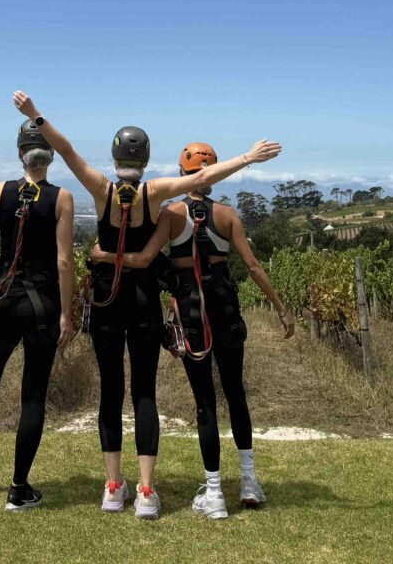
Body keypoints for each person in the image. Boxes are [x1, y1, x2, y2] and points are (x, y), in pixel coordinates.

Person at [12, 90, 282, 520]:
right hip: (143, 302)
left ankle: (113, 487)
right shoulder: (154, 193)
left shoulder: (101, 188)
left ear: (115, 154)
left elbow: (65, 150)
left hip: (106, 300)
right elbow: (199, 182)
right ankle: (146, 491)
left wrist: (36, 116)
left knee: (110, 393)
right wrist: (247, 158)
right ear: (148, 155)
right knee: (143, 393)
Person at [90, 142, 296, 520]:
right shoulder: (228, 215)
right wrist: (281, 308)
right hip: (225, 303)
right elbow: (252, 266)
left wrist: (103, 257)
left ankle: (215, 492)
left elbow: (144, 259)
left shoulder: (170, 215)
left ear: (182, 174)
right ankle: (248, 480)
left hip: (190, 306)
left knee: (205, 402)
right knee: (236, 392)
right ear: (212, 173)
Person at [0, 117, 75, 512]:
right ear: (50, 156)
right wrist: (67, 314)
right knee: (33, 395)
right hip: (42, 307)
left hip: (2, 301)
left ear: (19, 153)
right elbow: (64, 261)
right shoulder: (62, 198)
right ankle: (19, 488)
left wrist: (7, 265)